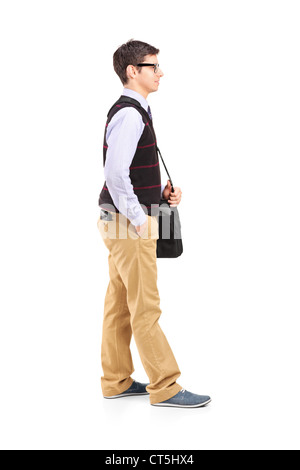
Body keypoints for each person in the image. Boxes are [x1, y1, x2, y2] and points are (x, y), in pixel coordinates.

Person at [97, 39, 211, 408]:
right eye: (153, 66)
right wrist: (139, 218)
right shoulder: (130, 113)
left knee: (120, 303)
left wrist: (161, 192)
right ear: (133, 71)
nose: (160, 72)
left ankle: (115, 380)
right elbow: (115, 174)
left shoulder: (134, 110)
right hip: (128, 223)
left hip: (115, 219)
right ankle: (166, 386)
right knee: (145, 306)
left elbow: (126, 171)